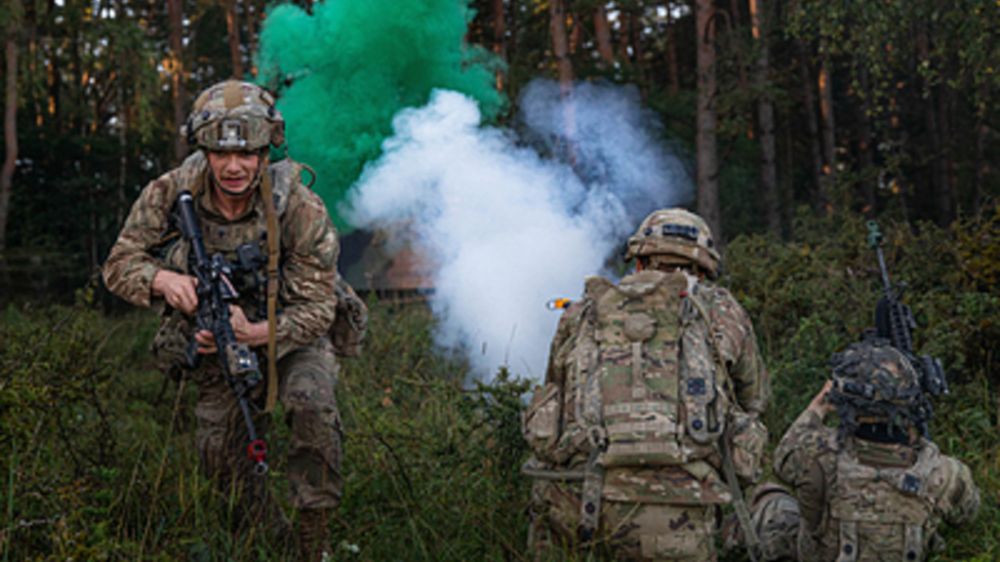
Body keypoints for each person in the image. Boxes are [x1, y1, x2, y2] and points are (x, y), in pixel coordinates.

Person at [103, 80, 345, 560]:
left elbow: (320, 308)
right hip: (214, 336)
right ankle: (270, 539)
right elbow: (118, 264)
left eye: (247, 154)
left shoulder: (298, 206)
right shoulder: (171, 191)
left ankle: (313, 542)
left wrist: (255, 333)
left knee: (313, 408)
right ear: (204, 150)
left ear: (265, 150)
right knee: (219, 454)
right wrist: (162, 280)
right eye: (220, 153)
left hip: (290, 330)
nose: (234, 167)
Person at [523, 208, 771, 561]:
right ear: (702, 268)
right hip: (680, 513)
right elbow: (754, 400)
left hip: (576, 501)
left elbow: (555, 391)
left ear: (639, 260)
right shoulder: (723, 311)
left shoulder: (584, 311)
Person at [746, 341, 980, 561]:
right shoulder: (944, 473)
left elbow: (782, 460)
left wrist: (818, 407)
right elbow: (967, 515)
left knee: (771, 498)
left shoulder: (814, 454)